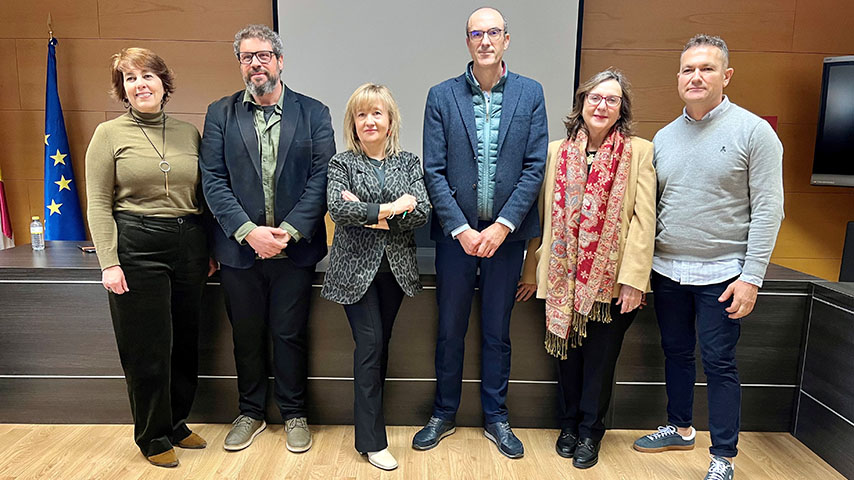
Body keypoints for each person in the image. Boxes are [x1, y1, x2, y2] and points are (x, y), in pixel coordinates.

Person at [631, 34, 784, 480]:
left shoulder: (754, 132)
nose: (695, 77)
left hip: (723, 274)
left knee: (719, 363)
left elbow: (771, 210)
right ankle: (679, 426)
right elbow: (650, 209)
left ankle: (723, 457)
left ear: (726, 76)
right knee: (675, 353)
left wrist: (752, 277)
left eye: (707, 69)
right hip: (668, 271)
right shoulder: (663, 137)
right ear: (678, 78)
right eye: (687, 70)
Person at [414, 7, 547, 459]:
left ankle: (497, 417)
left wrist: (502, 226)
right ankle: (443, 414)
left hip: (506, 240)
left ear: (506, 39)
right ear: (467, 41)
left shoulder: (531, 93)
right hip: (457, 240)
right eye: (477, 33)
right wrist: (462, 230)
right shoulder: (441, 95)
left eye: (493, 32)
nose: (485, 40)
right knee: (449, 329)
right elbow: (432, 169)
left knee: (497, 331)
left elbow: (534, 168)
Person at [199, 24, 335, 454]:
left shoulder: (313, 112)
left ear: (279, 60)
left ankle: (294, 413)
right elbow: (213, 181)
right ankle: (251, 413)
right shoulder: (220, 113)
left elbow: (322, 178)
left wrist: (287, 233)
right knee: (246, 334)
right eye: (246, 57)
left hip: (294, 250)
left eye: (262, 55)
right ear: (240, 64)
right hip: (239, 250)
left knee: (289, 333)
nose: (254, 63)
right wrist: (249, 232)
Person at [516, 69, 655, 469]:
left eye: (611, 100)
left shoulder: (639, 152)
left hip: (610, 283)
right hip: (561, 276)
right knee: (567, 357)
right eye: (595, 98)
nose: (601, 106)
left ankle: (592, 431)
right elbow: (540, 216)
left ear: (621, 109)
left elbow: (644, 222)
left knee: (599, 360)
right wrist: (530, 269)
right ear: (582, 103)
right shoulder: (557, 151)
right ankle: (569, 426)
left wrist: (634, 281)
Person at [85, 47, 215, 468]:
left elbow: (202, 196)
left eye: (147, 76)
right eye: (130, 79)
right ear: (123, 90)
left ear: (164, 82)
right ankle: (152, 435)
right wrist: (109, 261)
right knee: (147, 348)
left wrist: (209, 248)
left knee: (185, 343)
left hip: (189, 243)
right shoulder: (108, 135)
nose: (140, 84)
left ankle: (176, 422)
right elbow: (99, 204)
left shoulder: (187, 133)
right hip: (137, 245)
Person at [321, 83, 431, 471]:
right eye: (361, 114)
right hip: (353, 274)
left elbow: (422, 214)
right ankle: (371, 441)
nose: (369, 121)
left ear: (390, 120)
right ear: (353, 122)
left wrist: (371, 212)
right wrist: (392, 208)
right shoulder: (341, 164)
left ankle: (373, 424)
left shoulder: (409, 163)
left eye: (377, 113)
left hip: (395, 273)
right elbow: (338, 209)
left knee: (379, 348)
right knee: (369, 347)